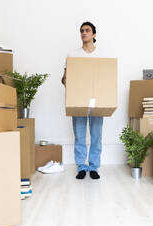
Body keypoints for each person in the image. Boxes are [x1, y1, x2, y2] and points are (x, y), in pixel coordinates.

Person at [62, 21, 103, 180]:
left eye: (87, 30)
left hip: (97, 100)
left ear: (94, 34)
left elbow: (106, 79)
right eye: (81, 31)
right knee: (79, 135)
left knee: (96, 135)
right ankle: (81, 166)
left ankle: (93, 167)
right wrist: (69, 82)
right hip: (79, 100)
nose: (84, 33)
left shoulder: (101, 56)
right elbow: (64, 79)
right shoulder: (73, 55)